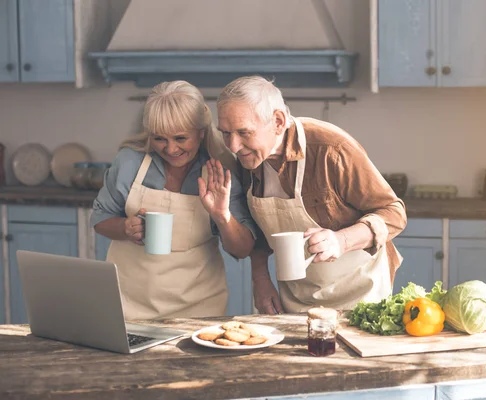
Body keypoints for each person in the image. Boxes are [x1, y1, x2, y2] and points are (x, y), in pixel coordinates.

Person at [216, 76, 407, 314]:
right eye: (225, 133)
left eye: (244, 133)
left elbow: (394, 213)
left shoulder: (331, 149)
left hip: (360, 296)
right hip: (297, 301)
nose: (233, 146)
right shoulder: (250, 160)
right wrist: (261, 280)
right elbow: (258, 233)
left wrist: (341, 240)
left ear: (277, 121)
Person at [92, 80, 257, 320]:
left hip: (199, 310)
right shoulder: (129, 163)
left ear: (200, 133)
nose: (170, 149)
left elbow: (242, 249)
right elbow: (100, 219)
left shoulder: (219, 172)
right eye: (160, 139)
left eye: (180, 138)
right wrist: (124, 228)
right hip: (127, 306)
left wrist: (222, 216)